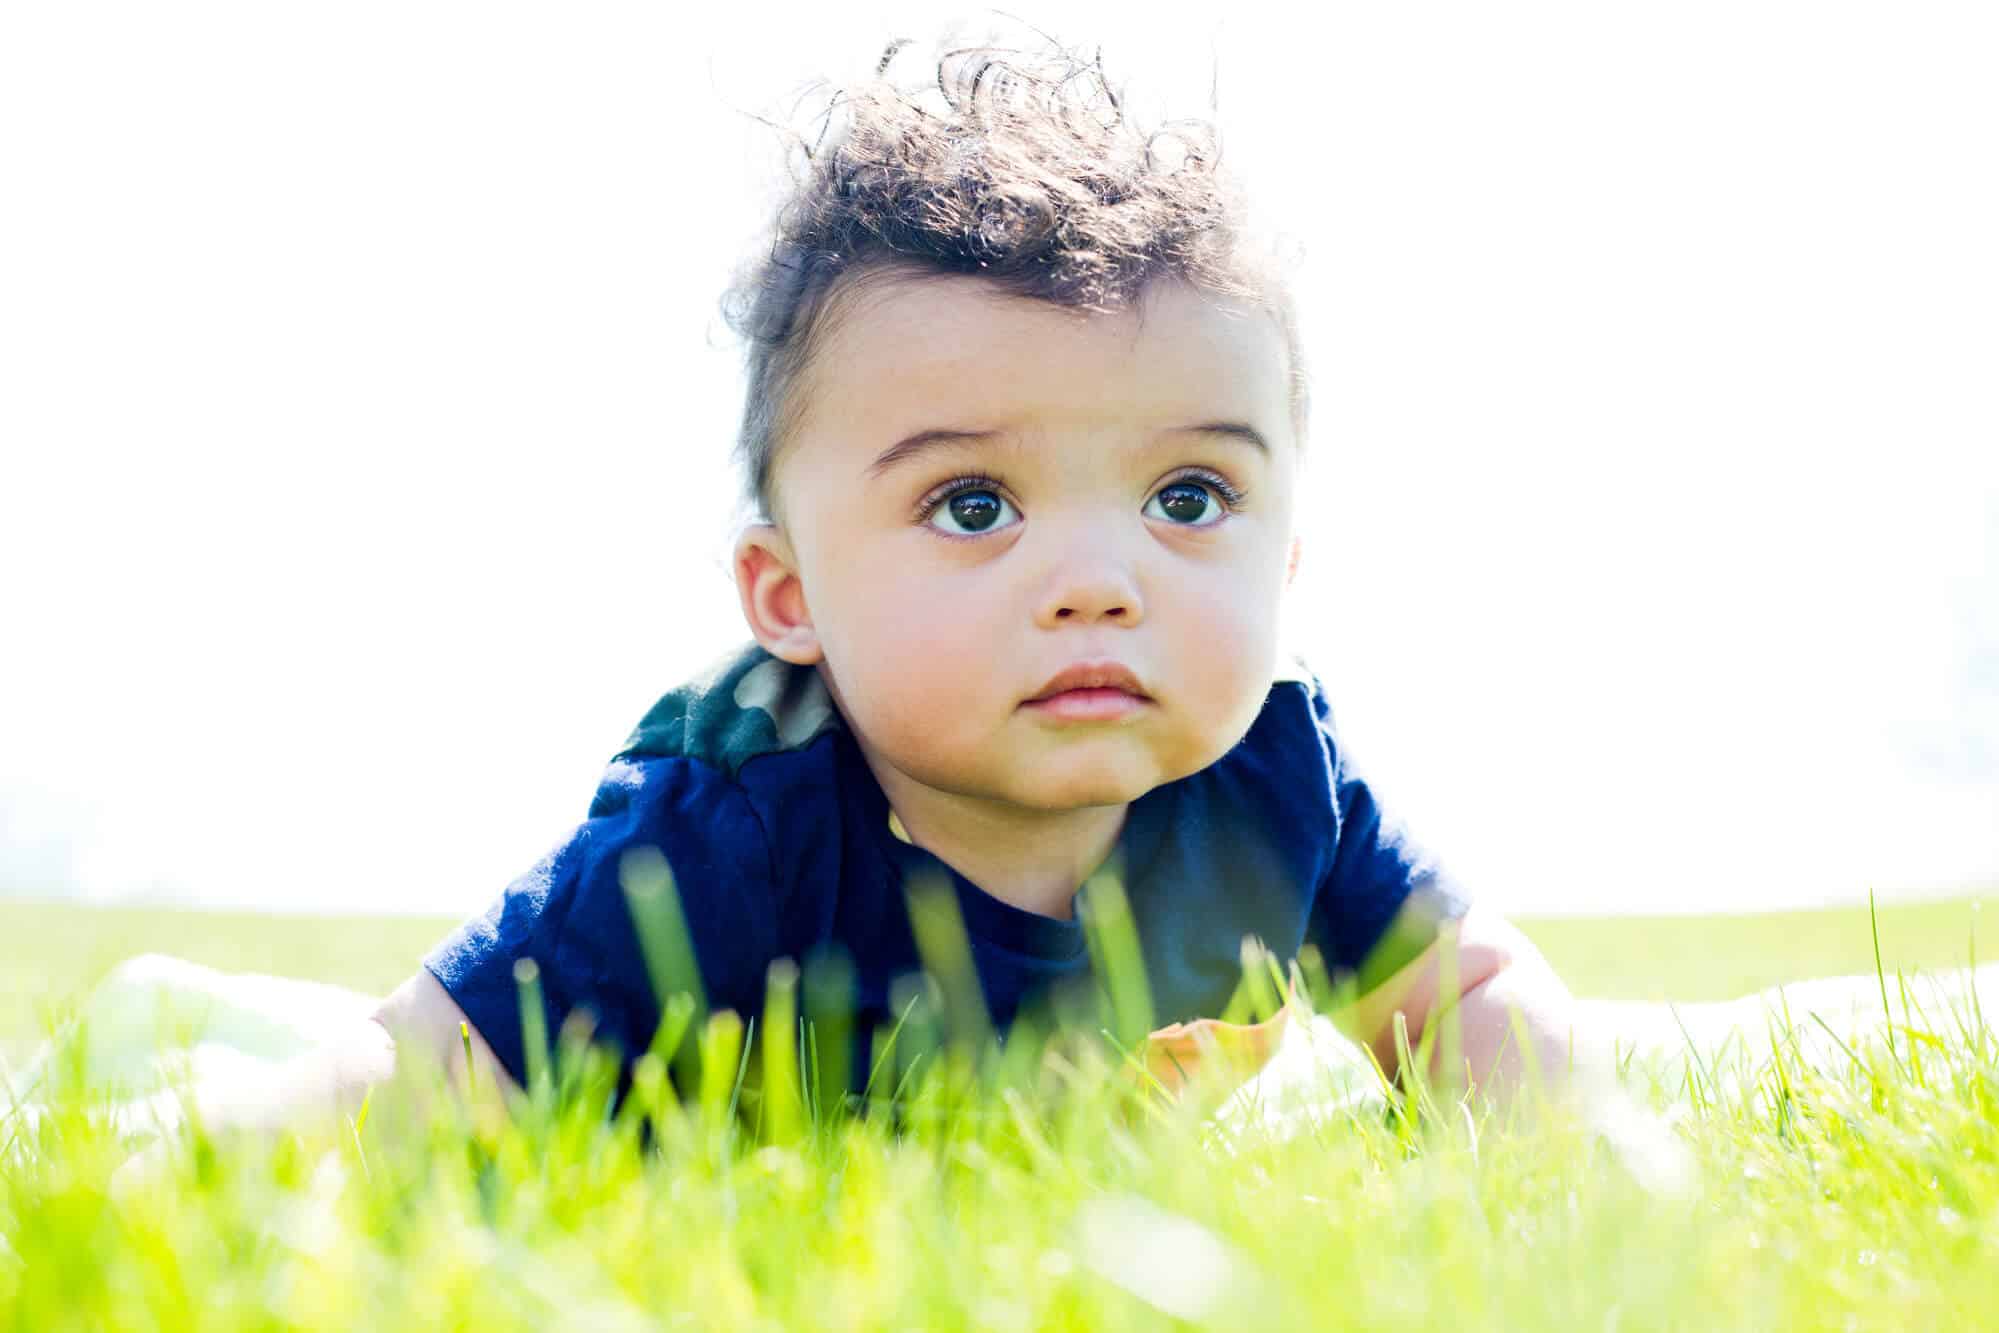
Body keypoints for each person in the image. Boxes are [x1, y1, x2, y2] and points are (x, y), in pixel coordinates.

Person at [197, 35, 1585, 1135]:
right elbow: (420, 1070)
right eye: (973, 505)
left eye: (1187, 498)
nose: (1099, 581)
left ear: (1284, 559)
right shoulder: (737, 823)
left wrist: (1574, 1139)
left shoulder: (1278, 780)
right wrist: (226, 1162)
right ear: (789, 595)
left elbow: (1466, 989)